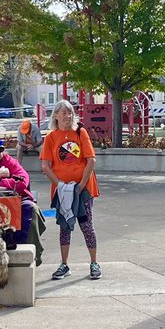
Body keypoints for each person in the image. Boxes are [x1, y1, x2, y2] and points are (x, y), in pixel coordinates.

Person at [41, 100, 101, 280]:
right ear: (56, 116)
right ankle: (64, 264)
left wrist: (81, 185)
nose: (68, 116)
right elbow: (45, 166)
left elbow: (91, 160)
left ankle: (94, 262)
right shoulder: (51, 137)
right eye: (64, 113)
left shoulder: (80, 132)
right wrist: (60, 185)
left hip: (83, 189)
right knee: (65, 226)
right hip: (62, 190)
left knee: (86, 225)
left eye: (70, 113)